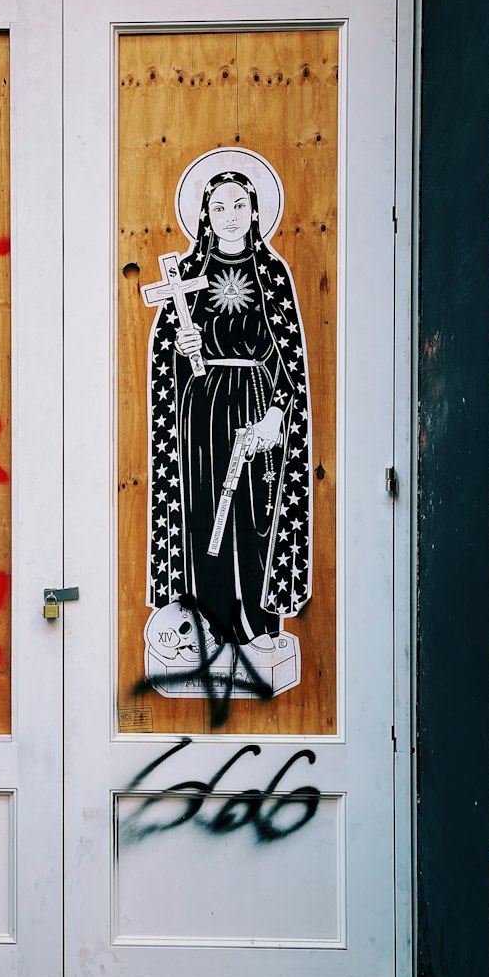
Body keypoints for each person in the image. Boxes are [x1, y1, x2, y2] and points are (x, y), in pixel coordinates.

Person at [145, 148, 312, 663]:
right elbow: (166, 345)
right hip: (201, 410)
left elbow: (288, 353)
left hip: (256, 403)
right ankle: (213, 624)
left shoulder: (272, 274)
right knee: (204, 516)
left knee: (256, 514)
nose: (230, 216)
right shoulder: (189, 274)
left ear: (255, 211)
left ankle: (260, 623)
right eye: (219, 207)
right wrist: (182, 349)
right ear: (205, 215)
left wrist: (277, 415)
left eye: (239, 205)